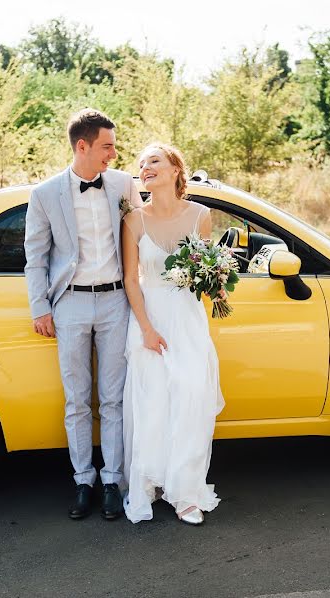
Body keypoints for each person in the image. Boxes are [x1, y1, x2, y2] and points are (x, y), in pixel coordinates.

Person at [24, 108, 142, 520]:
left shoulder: (124, 185)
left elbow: (144, 236)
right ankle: (82, 481)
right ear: (83, 146)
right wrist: (40, 307)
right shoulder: (44, 194)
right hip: (69, 303)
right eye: (107, 146)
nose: (113, 153)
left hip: (115, 303)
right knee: (76, 400)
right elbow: (35, 257)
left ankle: (112, 480)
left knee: (113, 398)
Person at [120, 143, 225, 525]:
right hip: (150, 319)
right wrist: (147, 329)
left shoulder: (200, 215)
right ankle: (149, 485)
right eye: (142, 164)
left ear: (176, 170)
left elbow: (206, 269)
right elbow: (131, 279)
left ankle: (186, 493)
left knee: (192, 399)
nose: (145, 168)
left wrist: (218, 285)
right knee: (153, 405)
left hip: (188, 318)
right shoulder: (133, 219)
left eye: (154, 161)